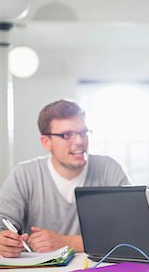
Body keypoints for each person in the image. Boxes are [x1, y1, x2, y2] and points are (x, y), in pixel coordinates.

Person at [0, 100, 130, 257]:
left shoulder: (109, 169)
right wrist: (4, 241)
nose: (80, 141)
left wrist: (68, 242)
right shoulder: (24, 175)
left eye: (84, 132)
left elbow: (133, 233)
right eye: (67, 135)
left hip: (97, 271)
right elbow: (3, 223)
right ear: (46, 142)